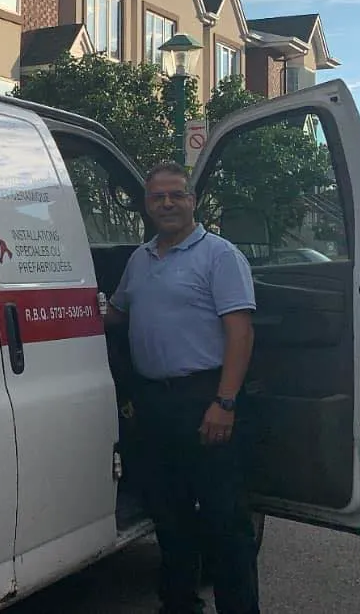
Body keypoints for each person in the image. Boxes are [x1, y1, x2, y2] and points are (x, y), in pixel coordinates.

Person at [104, 161, 260, 614]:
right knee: (169, 519)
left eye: (177, 195)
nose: (168, 204)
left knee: (224, 522)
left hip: (205, 399)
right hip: (155, 404)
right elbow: (117, 313)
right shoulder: (141, 258)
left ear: (193, 201)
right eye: (158, 197)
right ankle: (178, 605)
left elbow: (240, 333)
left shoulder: (220, 255)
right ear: (147, 204)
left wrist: (224, 402)